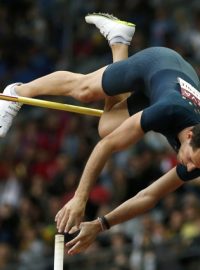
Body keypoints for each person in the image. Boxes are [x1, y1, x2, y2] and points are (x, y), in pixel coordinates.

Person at [1, 13, 200, 254]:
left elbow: (150, 196)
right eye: (191, 159)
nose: (189, 168)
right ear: (189, 136)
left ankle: (118, 41)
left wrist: (100, 224)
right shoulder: (168, 110)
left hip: (167, 84)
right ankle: (17, 91)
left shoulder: (196, 160)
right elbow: (106, 147)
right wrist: (79, 198)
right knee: (85, 90)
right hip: (157, 64)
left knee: (107, 127)